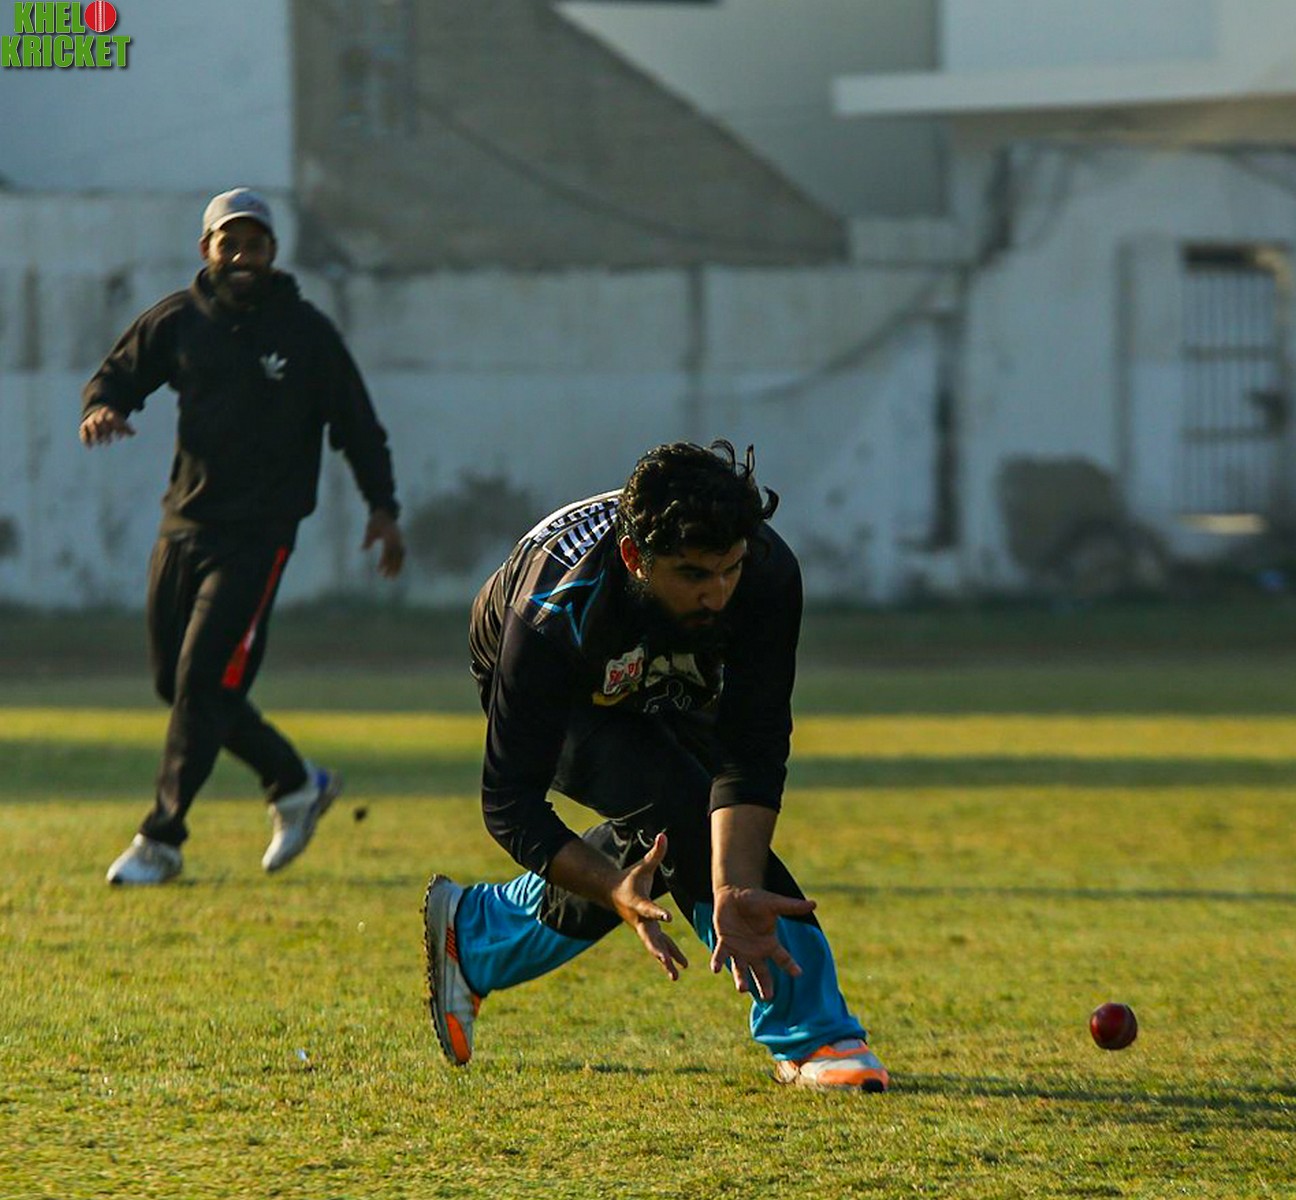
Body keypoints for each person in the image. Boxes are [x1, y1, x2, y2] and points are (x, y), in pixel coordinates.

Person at [422, 441, 889, 1092]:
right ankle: (814, 1033)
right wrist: (612, 889)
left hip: (666, 660)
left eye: (728, 569)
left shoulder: (765, 571)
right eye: (694, 574)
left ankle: (479, 934)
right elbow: (510, 804)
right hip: (562, 679)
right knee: (676, 806)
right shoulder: (555, 611)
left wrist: (732, 887)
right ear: (634, 557)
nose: (718, 593)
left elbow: (753, 745)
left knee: (680, 836)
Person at [81, 187, 406, 886]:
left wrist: (382, 508)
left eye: (254, 245)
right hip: (183, 525)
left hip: (260, 536)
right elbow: (119, 375)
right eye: (228, 244)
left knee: (203, 681)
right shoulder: (180, 320)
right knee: (175, 684)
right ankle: (294, 782)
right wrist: (103, 407)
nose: (241, 257)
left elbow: (357, 424)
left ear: (272, 253)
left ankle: (161, 840)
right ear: (207, 249)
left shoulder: (306, 333)